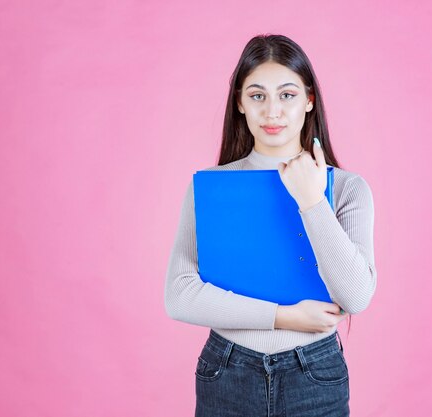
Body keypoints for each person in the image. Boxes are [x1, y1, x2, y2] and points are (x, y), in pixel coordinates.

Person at [164, 34, 377, 417]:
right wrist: (284, 316)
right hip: (227, 370)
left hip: (315, 373)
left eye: (288, 95)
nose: (272, 111)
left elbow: (356, 296)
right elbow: (179, 295)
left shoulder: (347, 188)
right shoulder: (212, 188)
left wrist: (311, 200)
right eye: (258, 95)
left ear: (309, 100)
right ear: (241, 104)